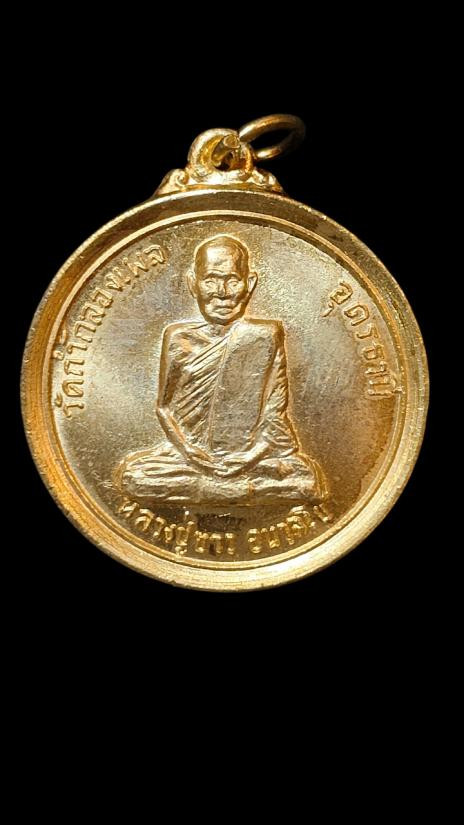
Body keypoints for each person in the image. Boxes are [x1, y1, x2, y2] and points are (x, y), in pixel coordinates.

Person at [115, 235, 327, 506]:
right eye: (211, 280)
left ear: (250, 284)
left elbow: (275, 414)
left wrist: (247, 459)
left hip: (252, 457)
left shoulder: (265, 335)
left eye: (232, 280)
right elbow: (164, 408)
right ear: (193, 284)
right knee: (135, 476)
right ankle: (238, 491)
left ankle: (216, 488)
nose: (222, 292)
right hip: (186, 457)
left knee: (304, 478)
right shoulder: (179, 338)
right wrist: (190, 452)